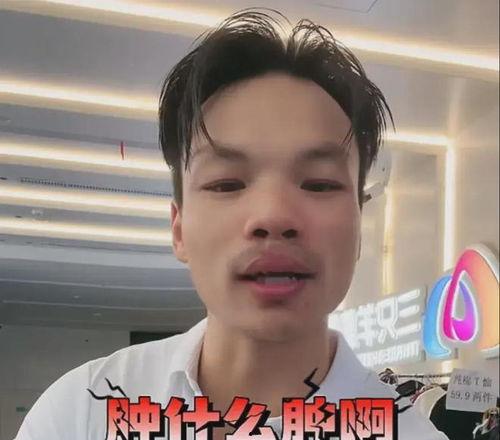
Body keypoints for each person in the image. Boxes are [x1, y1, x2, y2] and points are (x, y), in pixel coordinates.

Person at [15, 9, 449, 440]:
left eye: (319, 184)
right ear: (179, 229)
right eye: (226, 184)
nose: (273, 216)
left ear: (358, 226)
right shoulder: (81, 412)